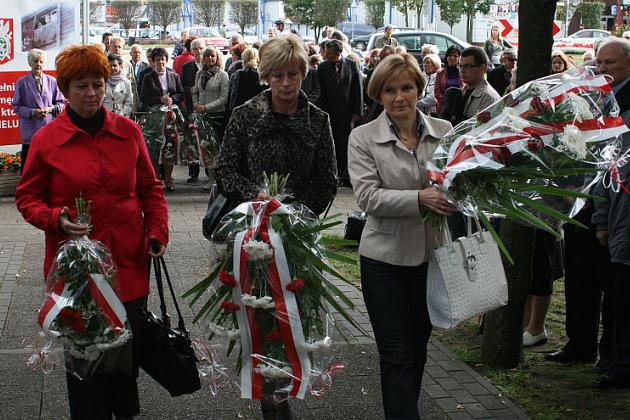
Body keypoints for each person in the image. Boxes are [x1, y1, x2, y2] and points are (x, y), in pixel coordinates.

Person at [14, 43, 168, 420]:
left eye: (97, 84)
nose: (92, 93)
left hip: (128, 265)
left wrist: (157, 231)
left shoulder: (128, 132)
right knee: (85, 367)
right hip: (77, 274)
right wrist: (56, 218)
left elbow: (150, 189)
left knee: (124, 361)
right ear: (65, 90)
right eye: (81, 86)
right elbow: (27, 198)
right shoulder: (47, 140)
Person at [347, 53, 454, 420]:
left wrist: (461, 197)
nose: (399, 97)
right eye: (389, 90)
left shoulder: (444, 131)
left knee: (417, 350)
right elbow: (368, 198)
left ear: (418, 89)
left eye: (406, 87)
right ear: (378, 94)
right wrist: (420, 198)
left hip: (431, 258)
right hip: (384, 261)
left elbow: (458, 185)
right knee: (396, 354)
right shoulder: (363, 138)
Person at [216, 33, 337, 220]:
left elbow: (327, 181)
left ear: (303, 74)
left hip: (300, 225)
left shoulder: (318, 120)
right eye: (278, 75)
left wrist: (295, 213)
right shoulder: (245, 115)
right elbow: (224, 171)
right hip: (249, 222)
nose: (286, 83)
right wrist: (255, 195)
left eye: (293, 74)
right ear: (266, 76)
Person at [591, 38, 630, 389]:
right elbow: (605, 168)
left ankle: (621, 363)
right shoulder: (605, 101)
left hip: (624, 216)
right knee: (615, 292)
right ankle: (612, 357)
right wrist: (601, 219)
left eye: (611, 63)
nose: (603, 69)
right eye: (599, 62)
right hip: (616, 215)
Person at [317, 39, 363, 187]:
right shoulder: (322, 68)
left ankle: (346, 175)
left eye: (329, 53)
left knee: (346, 145)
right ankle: (333, 175)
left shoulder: (352, 65)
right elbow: (319, 92)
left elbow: (358, 89)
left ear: (338, 53)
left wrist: (357, 111)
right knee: (331, 145)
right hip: (329, 113)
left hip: (347, 114)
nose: (326, 55)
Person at [13, 48, 64, 173]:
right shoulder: (21, 82)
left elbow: (61, 104)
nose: (38, 64)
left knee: (49, 167)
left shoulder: (52, 81)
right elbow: (17, 107)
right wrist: (33, 112)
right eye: (35, 61)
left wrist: (51, 109)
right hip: (31, 129)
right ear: (30, 63)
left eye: (41, 61)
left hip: (48, 127)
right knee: (29, 168)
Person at [139, 47, 184, 191]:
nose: (160, 62)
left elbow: (181, 93)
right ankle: (156, 178)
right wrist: (159, 99)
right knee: (155, 148)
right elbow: (144, 98)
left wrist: (172, 99)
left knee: (170, 146)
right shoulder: (147, 77)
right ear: (152, 61)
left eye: (163, 59)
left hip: (171, 118)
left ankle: (168, 178)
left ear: (166, 60)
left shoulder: (174, 76)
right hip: (155, 119)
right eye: (157, 60)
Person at [191, 46, 229, 189]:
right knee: (205, 148)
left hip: (217, 116)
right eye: (207, 56)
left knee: (216, 149)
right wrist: (196, 104)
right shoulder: (199, 74)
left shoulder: (223, 75)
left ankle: (218, 180)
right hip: (201, 115)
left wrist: (206, 107)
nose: (210, 58)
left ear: (217, 57)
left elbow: (224, 98)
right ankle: (211, 178)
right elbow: (195, 91)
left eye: (213, 55)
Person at [181, 38, 205, 183]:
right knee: (192, 141)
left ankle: (209, 171)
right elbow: (182, 86)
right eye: (195, 49)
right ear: (191, 51)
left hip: (207, 108)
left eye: (201, 48)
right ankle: (193, 172)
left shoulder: (210, 64)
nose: (199, 51)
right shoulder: (186, 67)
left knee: (207, 141)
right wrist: (190, 89)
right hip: (192, 108)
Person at [458, 46, 501, 121]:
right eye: (460, 66)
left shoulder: (489, 98)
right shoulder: (462, 90)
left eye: (467, 66)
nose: (462, 70)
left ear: (482, 68)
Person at [227, 47, 265, 114]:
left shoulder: (236, 74)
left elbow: (231, 95)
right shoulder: (259, 75)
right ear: (257, 59)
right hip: (254, 110)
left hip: (238, 110)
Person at [434, 44, 463, 115]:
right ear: (446, 56)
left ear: (459, 58)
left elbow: (464, 88)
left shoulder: (463, 72)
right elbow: (437, 92)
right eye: (450, 55)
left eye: (455, 56)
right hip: (443, 108)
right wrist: (447, 102)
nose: (452, 58)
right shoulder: (440, 73)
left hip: (460, 108)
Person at [129, 44, 149, 112]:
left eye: (139, 52)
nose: (137, 54)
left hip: (142, 99)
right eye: (135, 52)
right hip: (130, 98)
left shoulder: (147, 67)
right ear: (130, 53)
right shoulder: (126, 65)